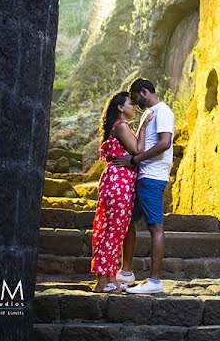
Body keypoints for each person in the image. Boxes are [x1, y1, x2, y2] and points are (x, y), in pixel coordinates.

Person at [111, 78, 175, 294]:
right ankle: (126, 272)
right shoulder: (149, 113)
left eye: (136, 97)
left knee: (155, 226)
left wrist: (135, 160)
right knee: (128, 221)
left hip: (152, 178)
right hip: (142, 176)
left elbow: (165, 143)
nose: (135, 104)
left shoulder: (162, 111)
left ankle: (155, 281)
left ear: (144, 92)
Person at [90, 91, 152, 293]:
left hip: (118, 182)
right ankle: (102, 280)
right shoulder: (122, 126)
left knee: (113, 230)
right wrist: (143, 127)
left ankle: (107, 278)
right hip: (118, 183)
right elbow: (138, 150)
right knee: (113, 231)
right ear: (120, 107)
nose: (134, 107)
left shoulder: (119, 126)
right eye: (131, 104)